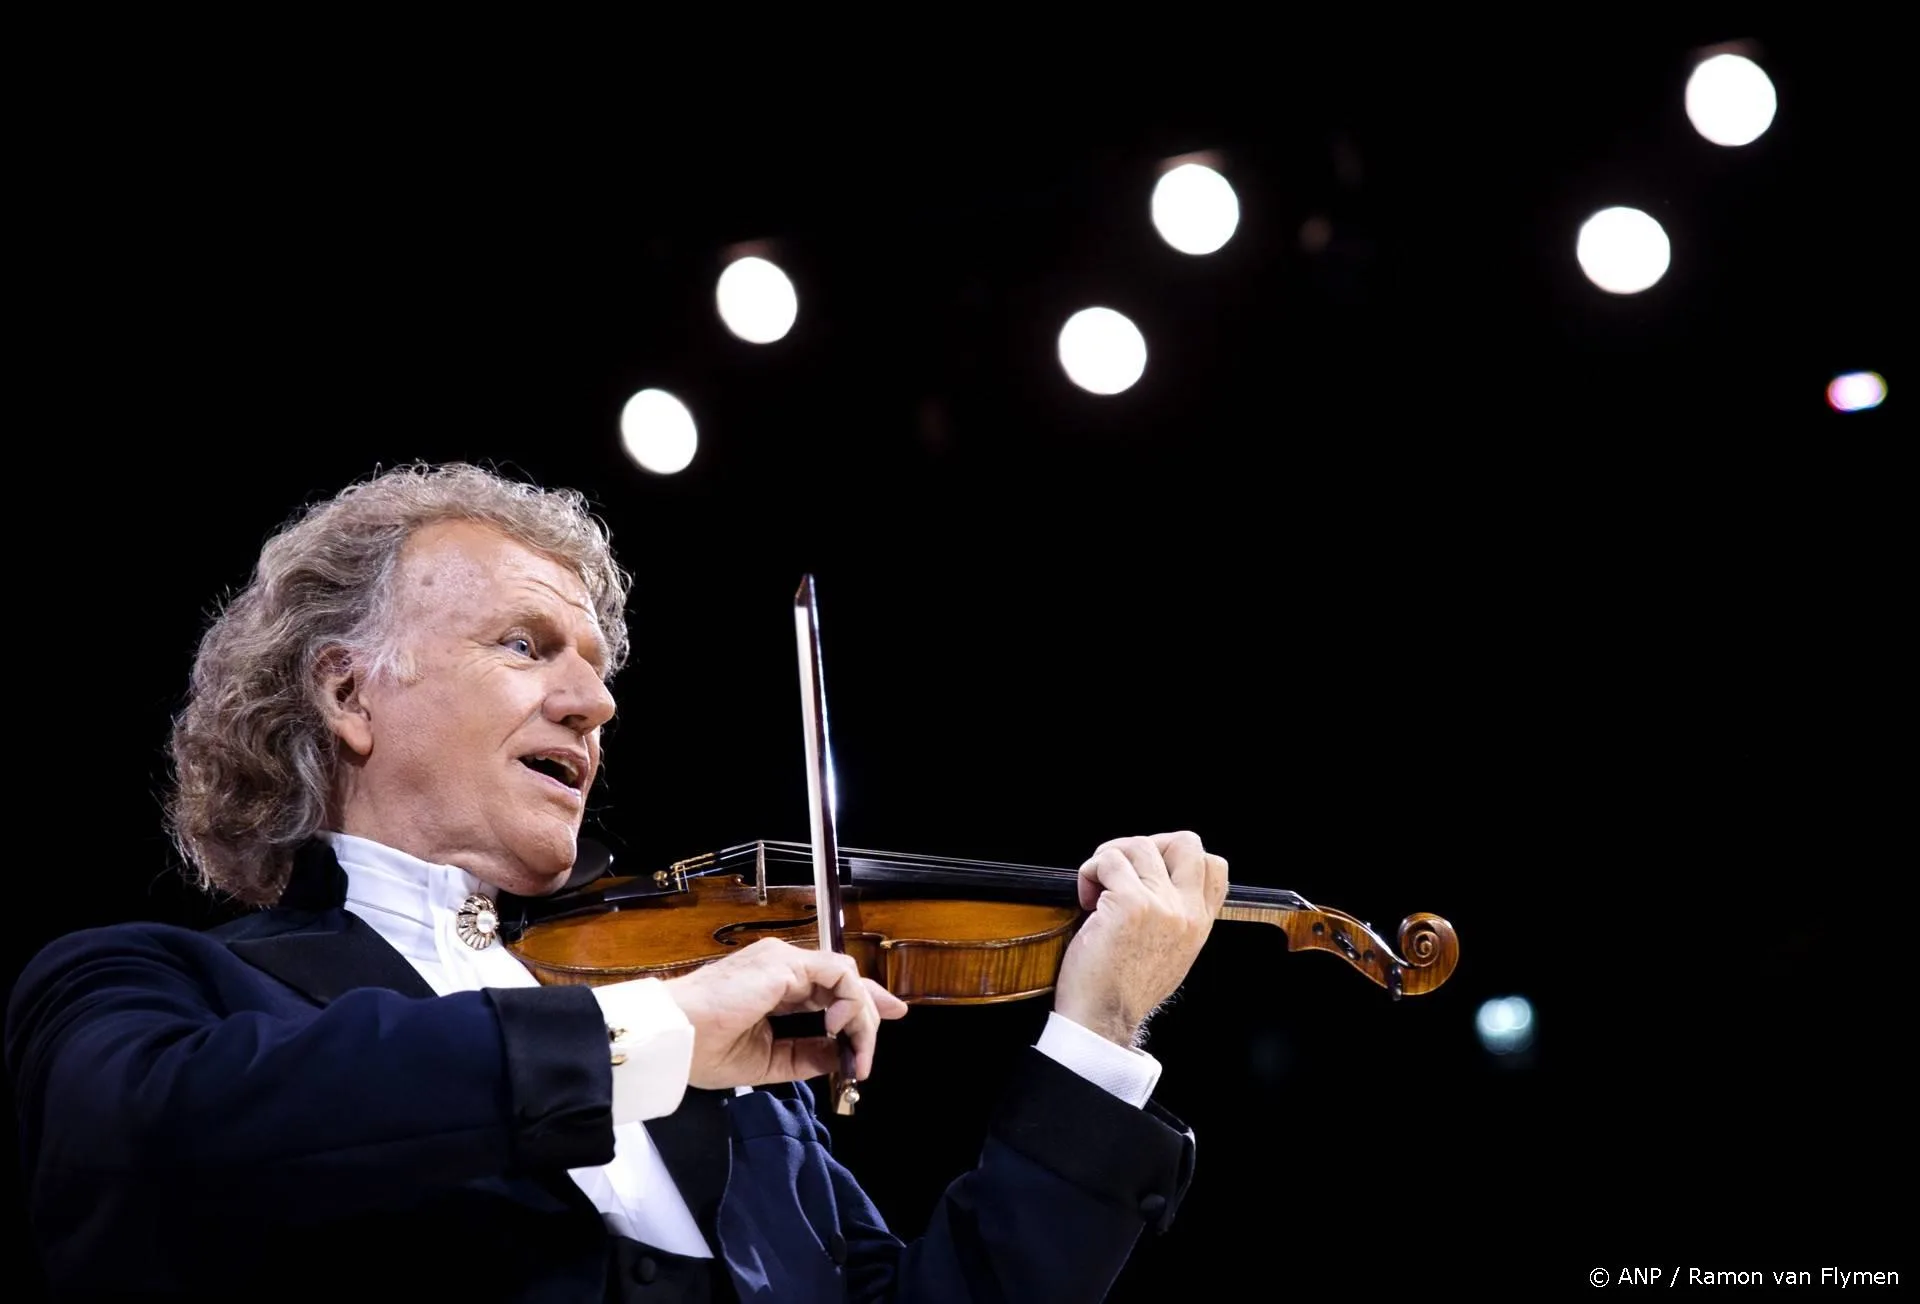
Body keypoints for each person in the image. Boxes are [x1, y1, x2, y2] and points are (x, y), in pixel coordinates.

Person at [6, 462, 1229, 1302]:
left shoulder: (741, 1095)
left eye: (597, 670)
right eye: (524, 645)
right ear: (345, 693)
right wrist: (651, 1031)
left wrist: (1097, 1033)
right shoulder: (164, 989)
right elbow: (151, 1138)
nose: (592, 702)